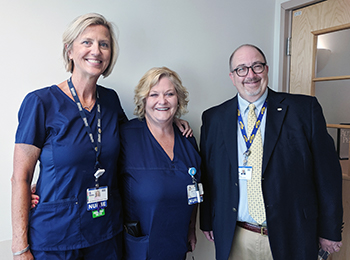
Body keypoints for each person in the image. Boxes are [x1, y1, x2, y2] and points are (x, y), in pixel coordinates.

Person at [11, 13, 192, 259]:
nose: (96, 50)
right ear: (70, 50)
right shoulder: (40, 103)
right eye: (87, 42)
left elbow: (137, 137)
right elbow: (20, 178)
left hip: (105, 234)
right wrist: (20, 248)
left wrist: (170, 119)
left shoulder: (110, 100)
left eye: (103, 44)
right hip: (55, 236)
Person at [199, 44, 343, 260]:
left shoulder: (304, 110)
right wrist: (207, 221)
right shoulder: (213, 118)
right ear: (232, 76)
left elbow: (327, 175)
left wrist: (330, 230)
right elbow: (209, 176)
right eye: (242, 69)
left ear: (266, 69)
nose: (250, 75)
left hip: (292, 233)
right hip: (236, 237)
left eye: (257, 66)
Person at [119, 67, 202, 259]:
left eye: (169, 94)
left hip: (176, 243)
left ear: (178, 99)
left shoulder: (187, 139)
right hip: (138, 246)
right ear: (144, 99)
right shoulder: (126, 136)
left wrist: (191, 228)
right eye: (154, 94)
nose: (162, 101)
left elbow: (195, 189)